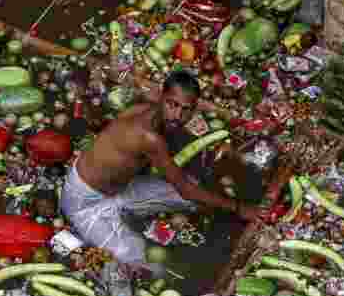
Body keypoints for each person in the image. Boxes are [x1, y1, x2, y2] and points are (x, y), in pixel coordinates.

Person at [61, 69, 266, 274]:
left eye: (185, 109)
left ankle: (129, 213)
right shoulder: (150, 138)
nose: (177, 115)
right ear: (162, 98)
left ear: (194, 110)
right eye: (172, 104)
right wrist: (239, 208)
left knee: (195, 194)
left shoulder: (147, 110)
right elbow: (185, 189)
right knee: (142, 261)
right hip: (84, 203)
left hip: (118, 189)